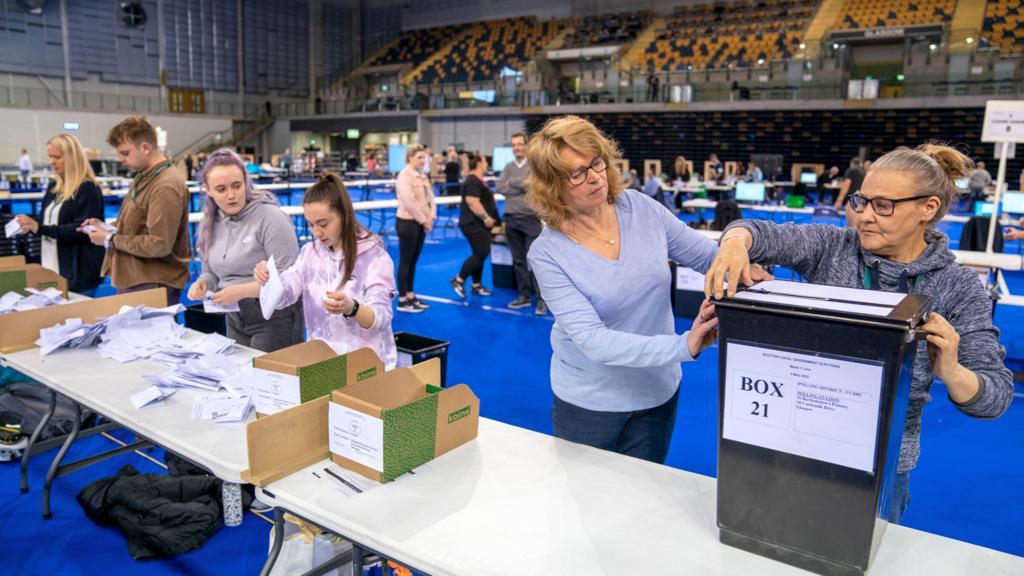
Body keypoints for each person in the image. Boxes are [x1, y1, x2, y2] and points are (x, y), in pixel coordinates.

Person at [705, 143, 1013, 523]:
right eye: (861, 201)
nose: (865, 216)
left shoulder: (959, 287)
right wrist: (734, 244)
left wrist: (952, 371)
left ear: (928, 208)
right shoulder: (834, 247)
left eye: (883, 205)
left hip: (882, 468)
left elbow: (994, 398)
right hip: (794, 443)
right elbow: (754, 230)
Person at [525, 115, 724, 464]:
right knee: (590, 507)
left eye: (596, 162)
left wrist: (743, 266)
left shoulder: (641, 207)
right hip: (590, 404)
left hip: (657, 393)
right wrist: (684, 345)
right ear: (552, 186)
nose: (595, 177)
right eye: (577, 173)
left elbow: (707, 255)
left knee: (643, 505)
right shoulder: (547, 253)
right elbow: (594, 340)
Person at [251, 173, 397, 368]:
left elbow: (381, 318)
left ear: (344, 216)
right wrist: (269, 279)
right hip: (322, 363)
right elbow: (286, 295)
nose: (316, 233)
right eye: (310, 224)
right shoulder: (309, 253)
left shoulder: (375, 258)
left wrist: (352, 308)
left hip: (367, 366)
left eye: (323, 224)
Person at [185, 149, 304, 352]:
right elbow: (210, 271)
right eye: (221, 189)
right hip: (234, 316)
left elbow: (291, 280)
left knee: (268, 380)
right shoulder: (210, 223)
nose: (231, 195)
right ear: (208, 191)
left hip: (276, 318)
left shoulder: (271, 217)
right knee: (241, 379)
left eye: (237, 186)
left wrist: (241, 292)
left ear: (246, 183)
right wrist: (203, 283)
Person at [82, 116, 190, 306]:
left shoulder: (165, 185)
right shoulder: (144, 175)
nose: (120, 159)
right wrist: (106, 227)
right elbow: (137, 225)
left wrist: (109, 239)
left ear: (146, 148)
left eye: (125, 152)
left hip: (153, 282)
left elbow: (159, 244)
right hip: (139, 279)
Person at [13, 134, 104, 295]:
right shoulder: (53, 186)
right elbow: (47, 223)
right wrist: (29, 224)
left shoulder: (87, 188)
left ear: (72, 158)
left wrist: (40, 228)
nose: (52, 162)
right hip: (52, 266)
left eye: (57, 157)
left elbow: (82, 229)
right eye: (50, 157)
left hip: (79, 271)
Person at [498, 132, 546, 315]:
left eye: (520, 144)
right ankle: (524, 296)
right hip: (511, 219)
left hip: (530, 219)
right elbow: (500, 187)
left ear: (526, 146)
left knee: (534, 261)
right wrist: (521, 187)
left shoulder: (533, 167)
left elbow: (533, 185)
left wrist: (513, 184)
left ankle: (542, 299)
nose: (517, 147)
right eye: (514, 144)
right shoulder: (508, 166)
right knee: (518, 261)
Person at [451, 153, 499, 298]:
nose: (486, 164)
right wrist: (486, 218)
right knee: (481, 253)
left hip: (477, 224)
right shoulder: (472, 180)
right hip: (473, 223)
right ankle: (459, 279)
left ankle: (476, 285)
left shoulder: (478, 179)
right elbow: (472, 202)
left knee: (479, 254)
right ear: (479, 163)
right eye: (485, 161)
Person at [395, 145, 436, 313]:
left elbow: (430, 198)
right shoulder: (404, 176)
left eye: (423, 157)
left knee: (413, 261)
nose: (423, 160)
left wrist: (431, 217)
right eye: (419, 157)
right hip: (408, 223)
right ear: (410, 158)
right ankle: (402, 300)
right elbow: (409, 202)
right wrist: (424, 220)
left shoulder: (422, 176)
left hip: (421, 222)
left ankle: (411, 295)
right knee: (406, 261)